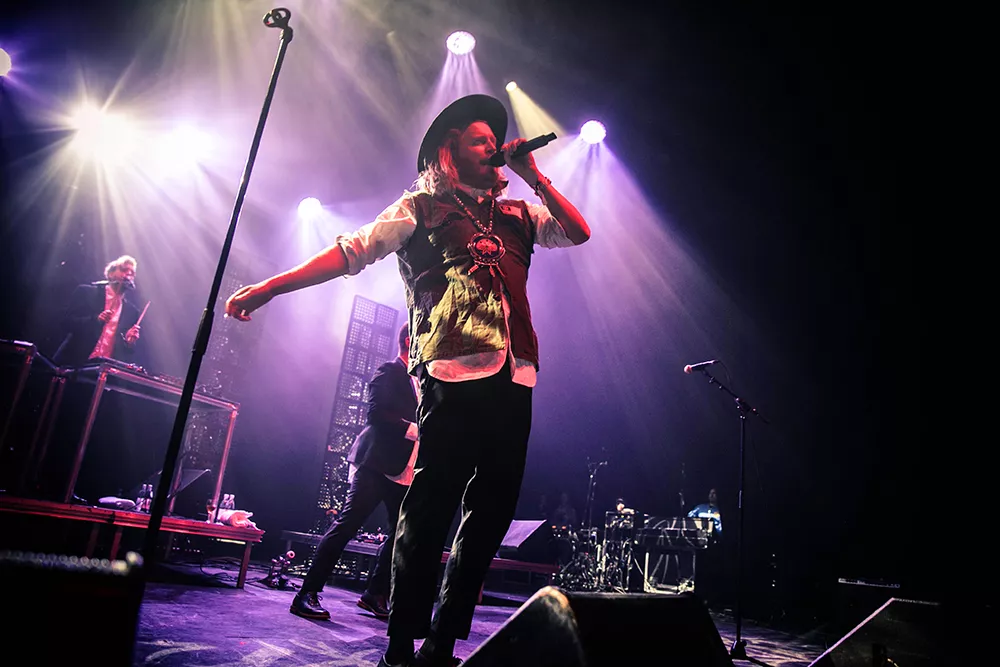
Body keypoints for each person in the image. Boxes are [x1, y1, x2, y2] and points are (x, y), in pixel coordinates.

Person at [224, 94, 590, 667]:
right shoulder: (421, 206)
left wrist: (535, 177)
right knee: (428, 508)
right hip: (450, 369)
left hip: (516, 374)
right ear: (450, 151)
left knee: (491, 513)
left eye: (495, 140)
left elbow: (578, 232)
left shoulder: (520, 212)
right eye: (480, 140)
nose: (493, 146)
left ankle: (442, 643)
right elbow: (350, 250)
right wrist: (272, 287)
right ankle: (400, 642)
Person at [289, 324, 419, 622]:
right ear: (410, 340)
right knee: (347, 526)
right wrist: (415, 429)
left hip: (404, 470)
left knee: (401, 534)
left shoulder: (421, 380)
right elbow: (376, 414)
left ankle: (375, 594)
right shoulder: (389, 371)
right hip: (376, 463)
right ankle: (306, 594)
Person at [53, 255, 142, 366]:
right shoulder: (87, 292)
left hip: (101, 369)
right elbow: (65, 323)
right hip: (73, 363)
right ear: (111, 273)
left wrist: (128, 343)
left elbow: (123, 353)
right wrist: (95, 320)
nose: (128, 274)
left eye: (132, 273)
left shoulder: (132, 312)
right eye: (124, 270)